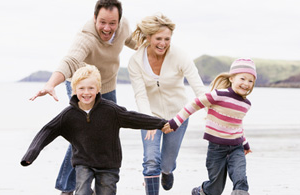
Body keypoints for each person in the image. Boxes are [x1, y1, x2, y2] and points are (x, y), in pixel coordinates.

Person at [28, 0, 136, 194]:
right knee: (83, 134)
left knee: (107, 132)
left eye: (112, 23)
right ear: (95, 18)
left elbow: (131, 40)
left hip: (107, 84)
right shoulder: (86, 37)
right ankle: (67, 187)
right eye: (102, 22)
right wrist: (51, 84)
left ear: (119, 21)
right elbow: (69, 61)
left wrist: (156, 47)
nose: (107, 28)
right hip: (81, 84)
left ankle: (97, 180)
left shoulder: (124, 25)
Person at [21, 65, 171, 195]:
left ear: (98, 89)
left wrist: (160, 123)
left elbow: (133, 117)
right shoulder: (69, 115)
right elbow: (48, 131)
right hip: (83, 162)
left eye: (91, 88)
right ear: (74, 90)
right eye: (81, 88)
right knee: (82, 191)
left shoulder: (111, 110)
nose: (86, 92)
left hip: (109, 164)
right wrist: (31, 154)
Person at [126, 13, 206, 195]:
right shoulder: (136, 61)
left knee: (167, 163)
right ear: (148, 37)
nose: (163, 43)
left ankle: (167, 171)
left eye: (167, 39)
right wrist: (148, 122)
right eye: (158, 39)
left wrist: (211, 110)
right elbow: (140, 95)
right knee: (151, 161)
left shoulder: (180, 56)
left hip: (178, 116)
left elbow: (198, 88)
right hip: (150, 115)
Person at [165, 58, 256, 195]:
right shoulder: (218, 95)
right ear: (232, 78)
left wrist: (245, 143)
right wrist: (176, 122)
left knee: (241, 182)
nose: (246, 84)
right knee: (215, 189)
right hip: (217, 149)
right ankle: (201, 191)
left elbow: (236, 125)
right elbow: (194, 104)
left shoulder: (246, 104)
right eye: (242, 78)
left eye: (250, 81)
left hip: (236, 148)